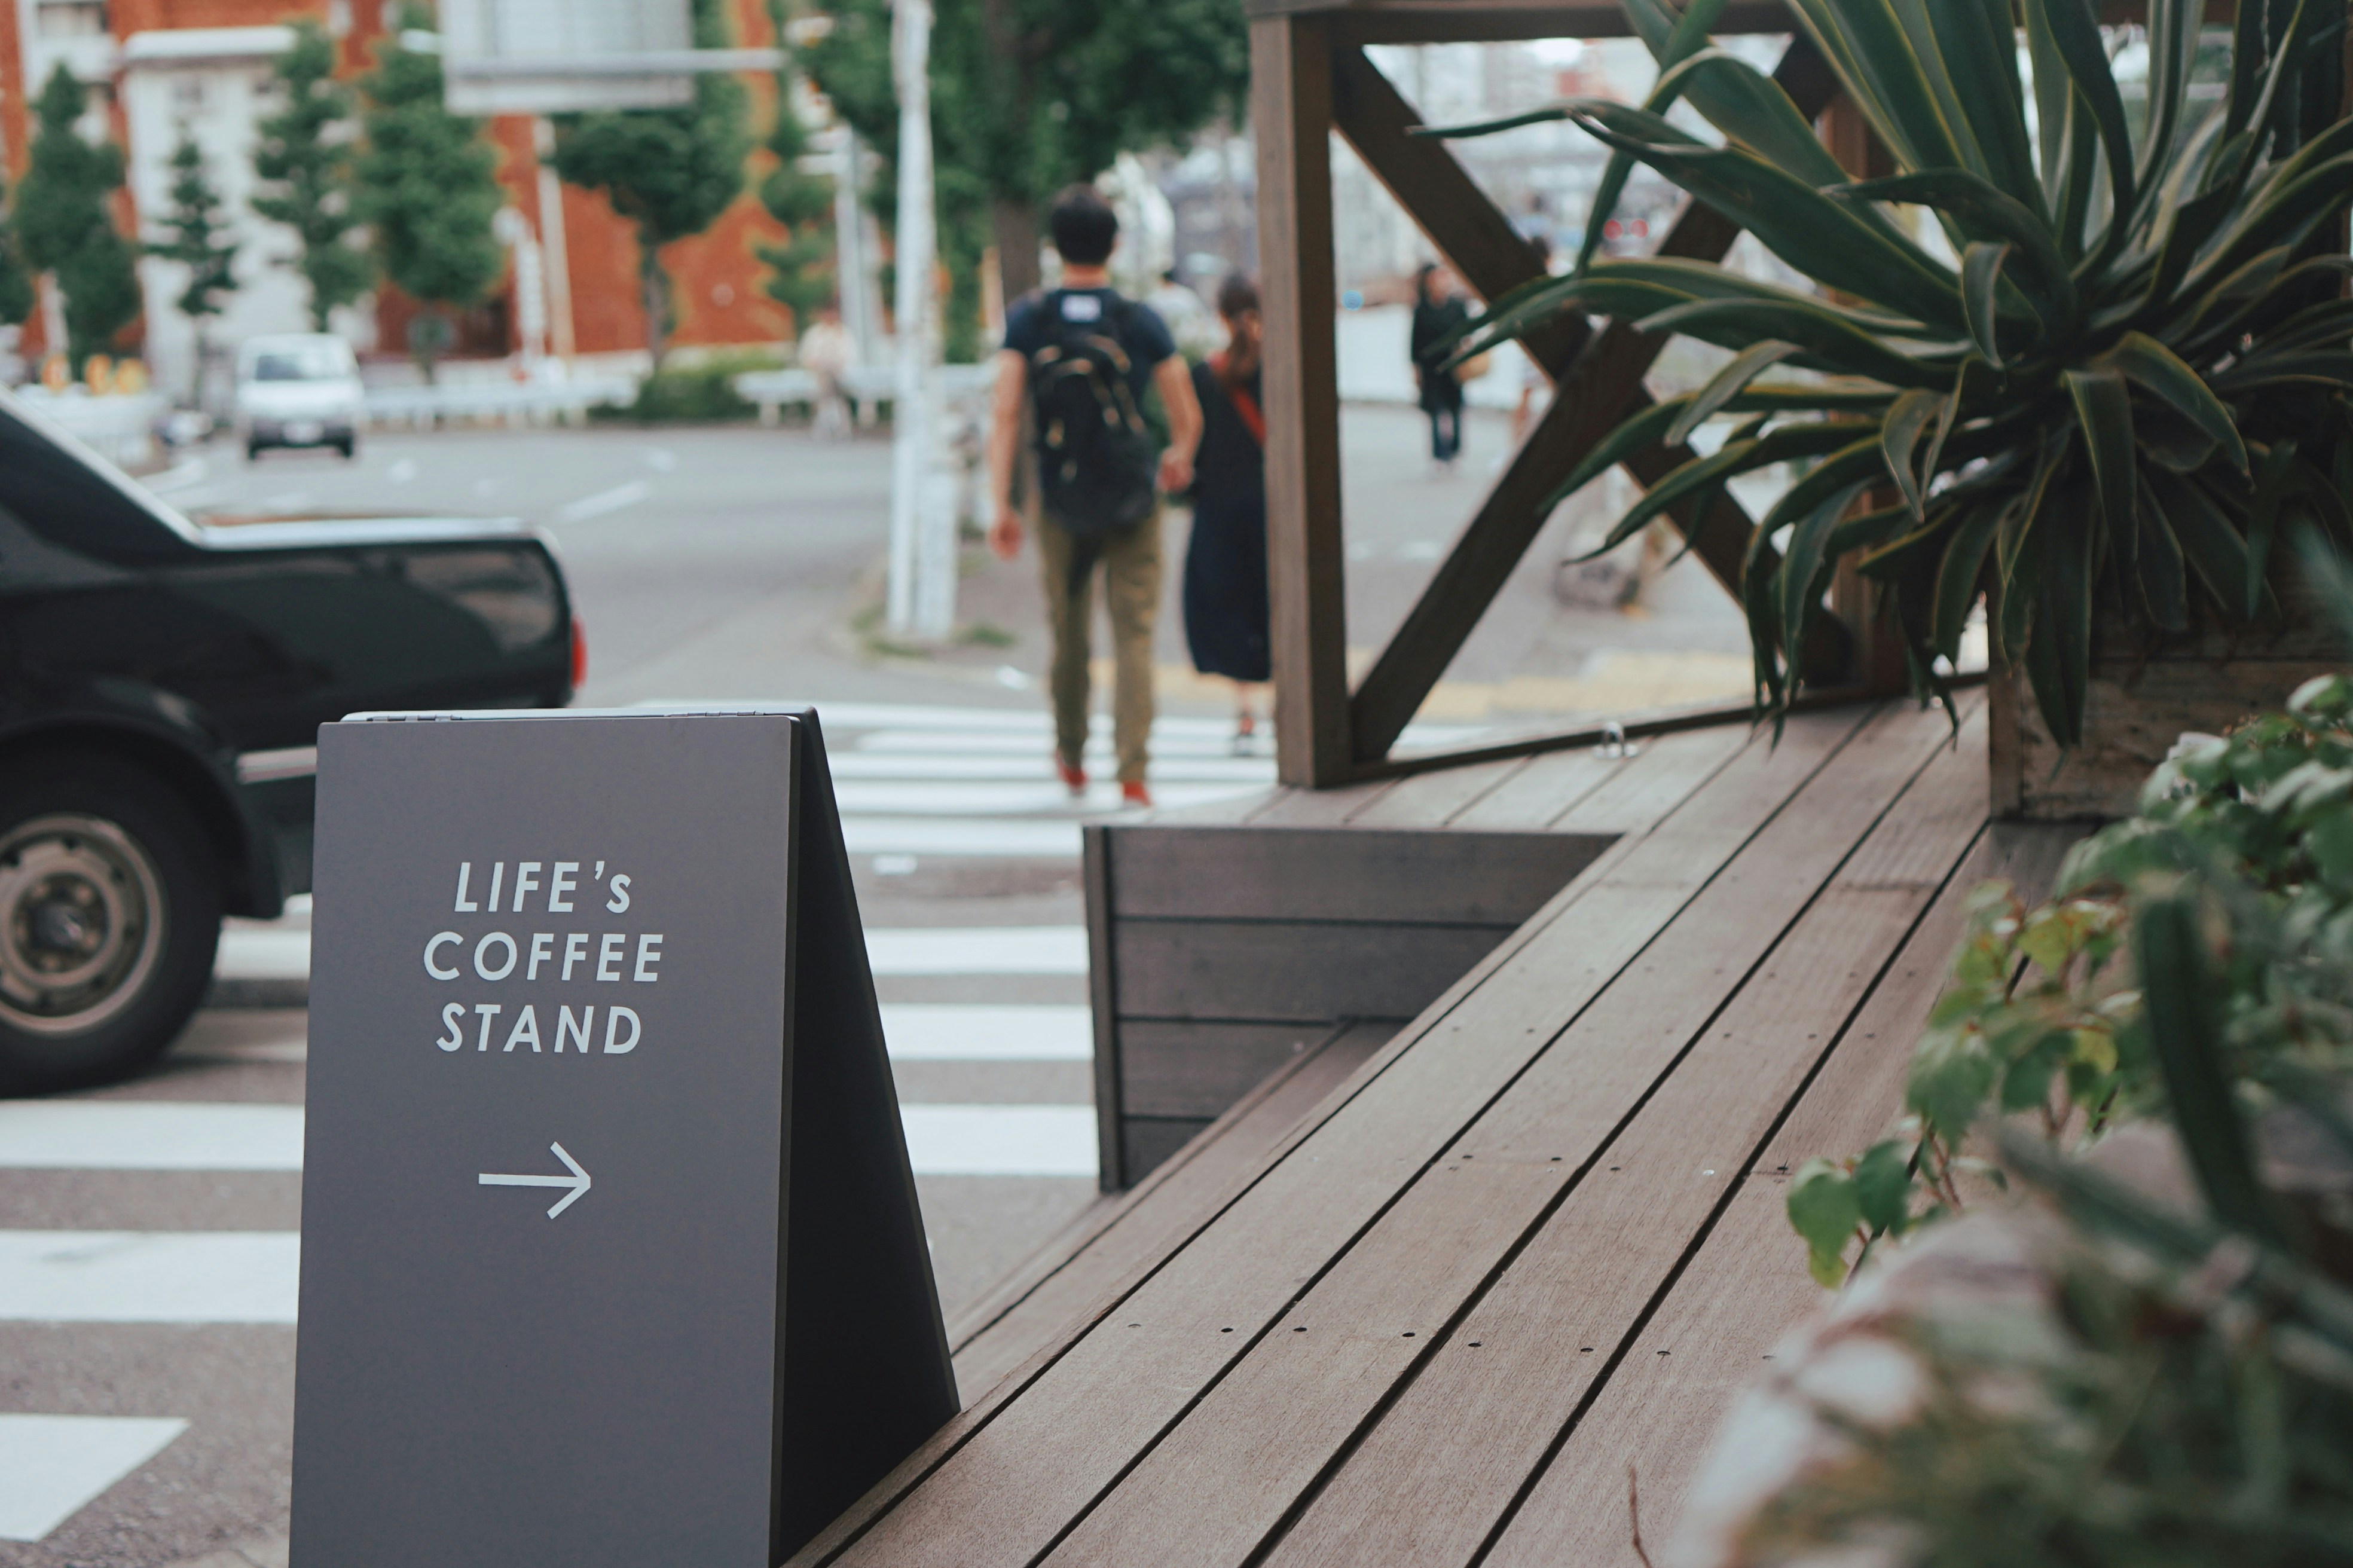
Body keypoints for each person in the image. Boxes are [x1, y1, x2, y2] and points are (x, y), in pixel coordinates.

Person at [988, 185, 1203, 809]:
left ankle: (1072, 756)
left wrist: (1001, 502)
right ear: (1114, 245)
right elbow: (1184, 410)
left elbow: (1006, 413)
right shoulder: (1139, 320)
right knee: (1134, 635)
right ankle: (1133, 771)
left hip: (1059, 496)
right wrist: (1178, 456)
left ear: (1056, 248)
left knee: (1069, 632)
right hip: (1133, 496)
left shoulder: (1031, 319)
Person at [1182, 274, 1271, 753]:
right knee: (1274, 604)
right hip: (1272, 511)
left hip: (1219, 511)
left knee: (1230, 608)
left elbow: (1195, 450)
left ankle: (1245, 714)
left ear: (1220, 316)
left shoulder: (1205, 375)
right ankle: (1287, 706)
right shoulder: (1279, 369)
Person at [1411, 263, 1471, 471]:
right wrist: (1415, 369)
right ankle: (1439, 452)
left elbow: (1467, 332)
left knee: (1455, 407)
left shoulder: (1456, 306)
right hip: (1431, 367)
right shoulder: (1422, 309)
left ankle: (1454, 450)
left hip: (1453, 365)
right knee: (1435, 409)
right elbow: (1415, 342)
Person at [796, 305, 856, 441]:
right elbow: (807, 355)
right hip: (820, 373)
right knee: (824, 402)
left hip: (838, 373)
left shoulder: (842, 333)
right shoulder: (815, 333)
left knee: (837, 402)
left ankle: (842, 429)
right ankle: (825, 428)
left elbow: (849, 355)